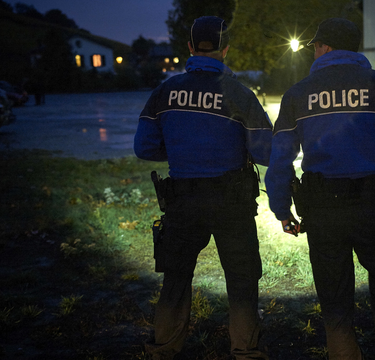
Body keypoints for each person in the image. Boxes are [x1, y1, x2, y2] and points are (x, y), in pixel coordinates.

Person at [265, 18, 375, 360]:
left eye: (316, 45)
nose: (314, 50)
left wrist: (282, 210)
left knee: (334, 295)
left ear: (325, 47)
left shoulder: (298, 93)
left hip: (323, 210)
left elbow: (280, 161)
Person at [134, 16, 272, 360]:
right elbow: (266, 152)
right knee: (242, 280)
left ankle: (164, 349)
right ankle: (245, 351)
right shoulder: (240, 93)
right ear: (225, 50)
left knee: (176, 279)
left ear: (191, 48)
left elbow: (144, 148)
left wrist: (180, 150)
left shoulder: (164, 92)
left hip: (182, 199)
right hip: (232, 202)